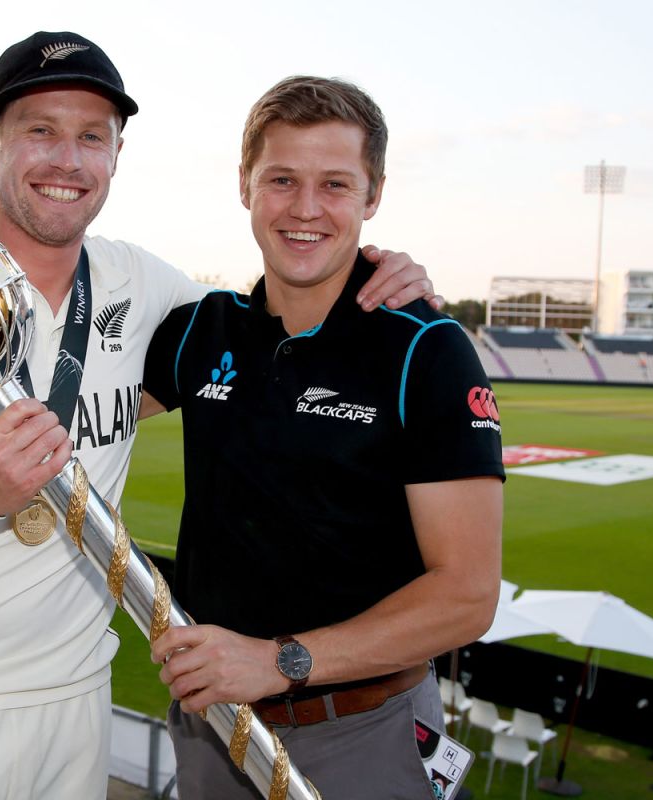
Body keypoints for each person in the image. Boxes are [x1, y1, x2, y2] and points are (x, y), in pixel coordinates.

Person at [0, 33, 438, 799]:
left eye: (93, 137)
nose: (68, 161)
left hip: (76, 705)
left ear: (117, 156)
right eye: (40, 131)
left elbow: (284, 309)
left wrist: (381, 266)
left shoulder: (144, 284)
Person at [142, 76, 505, 799]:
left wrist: (283, 661)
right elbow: (76, 403)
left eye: (335, 184)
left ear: (372, 197)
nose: (306, 209)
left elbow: (468, 595)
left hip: (365, 737)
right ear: (245, 186)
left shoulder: (425, 350)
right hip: (214, 728)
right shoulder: (197, 330)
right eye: (282, 180)